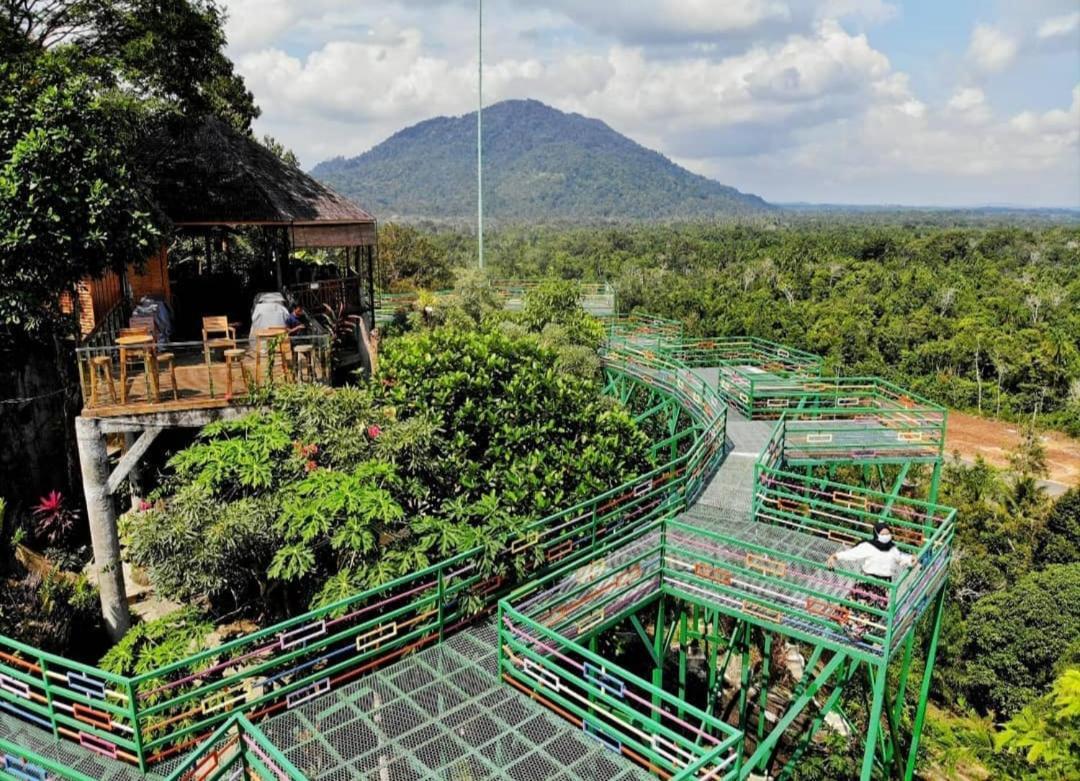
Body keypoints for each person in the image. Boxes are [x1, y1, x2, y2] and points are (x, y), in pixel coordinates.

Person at [826, 522, 918, 637]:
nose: (886, 535)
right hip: (866, 583)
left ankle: (858, 632)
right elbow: (852, 554)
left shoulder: (892, 548)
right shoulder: (868, 546)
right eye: (883, 533)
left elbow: (900, 558)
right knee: (855, 606)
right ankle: (846, 627)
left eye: (888, 533)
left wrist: (910, 559)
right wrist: (836, 556)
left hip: (882, 586)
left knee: (871, 613)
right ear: (876, 534)